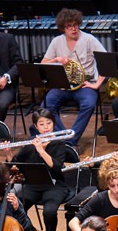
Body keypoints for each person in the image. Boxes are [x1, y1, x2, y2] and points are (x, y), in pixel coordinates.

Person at [6, 109, 70, 231]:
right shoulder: (31, 144)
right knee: (14, 206)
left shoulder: (59, 143)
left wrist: (41, 151)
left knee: (49, 211)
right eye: (42, 124)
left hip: (55, 186)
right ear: (36, 126)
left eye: (49, 123)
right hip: (33, 184)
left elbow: (57, 166)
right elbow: (16, 165)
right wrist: (8, 152)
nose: (46, 127)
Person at [41, 8, 107, 149]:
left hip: (84, 84)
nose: (73, 29)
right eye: (69, 26)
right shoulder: (56, 41)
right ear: (63, 28)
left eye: (76, 25)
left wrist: (97, 85)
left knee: (89, 104)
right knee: (46, 104)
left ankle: (70, 141)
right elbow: (43, 64)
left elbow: (106, 61)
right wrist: (56, 59)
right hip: (63, 84)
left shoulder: (89, 39)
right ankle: (61, 137)